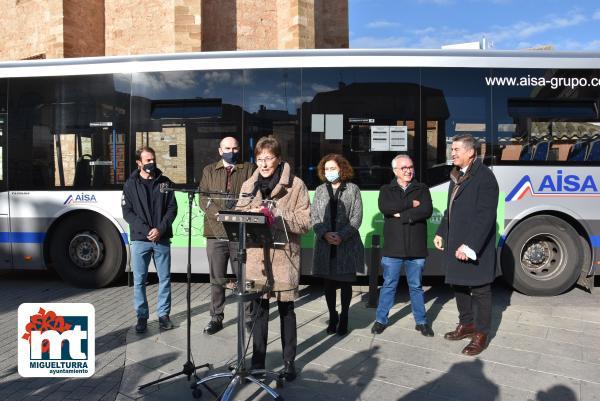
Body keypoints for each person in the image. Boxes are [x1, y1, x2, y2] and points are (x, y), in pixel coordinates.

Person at [236, 135, 311, 381]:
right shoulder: (249, 185)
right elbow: (237, 214)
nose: (264, 164)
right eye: (259, 159)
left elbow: (305, 222)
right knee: (258, 311)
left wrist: (277, 213)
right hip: (257, 257)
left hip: (283, 257)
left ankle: (289, 361)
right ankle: (257, 362)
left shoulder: (296, 185)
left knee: (287, 310)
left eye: (268, 158)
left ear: (278, 160)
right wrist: (252, 213)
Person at [433, 134, 499, 356]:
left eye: (456, 150)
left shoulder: (485, 178)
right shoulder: (458, 175)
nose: (452, 153)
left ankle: (481, 333)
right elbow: (449, 208)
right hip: (455, 241)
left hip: (474, 246)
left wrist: (469, 246)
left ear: (471, 152)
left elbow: (486, 217)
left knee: (480, 289)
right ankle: (467, 324)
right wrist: (442, 231)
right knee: (458, 284)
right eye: (452, 150)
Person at [370, 154, 434, 337]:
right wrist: (409, 205)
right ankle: (381, 320)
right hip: (393, 248)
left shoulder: (422, 188)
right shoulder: (386, 189)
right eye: (404, 167)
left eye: (410, 167)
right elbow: (386, 207)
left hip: (416, 248)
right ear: (395, 171)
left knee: (416, 286)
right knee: (389, 285)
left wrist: (401, 215)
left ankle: (421, 322)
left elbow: (426, 210)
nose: (408, 170)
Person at [199, 136, 254, 335]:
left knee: (245, 277)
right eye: (227, 148)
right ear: (220, 151)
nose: (231, 151)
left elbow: (253, 194)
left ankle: (249, 317)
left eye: (235, 148)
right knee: (217, 278)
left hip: (240, 232)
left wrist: (236, 213)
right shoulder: (209, 170)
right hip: (215, 232)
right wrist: (219, 215)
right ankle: (216, 317)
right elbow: (203, 198)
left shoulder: (248, 169)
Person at [122, 146, 178, 334]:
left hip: (161, 239)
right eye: (147, 161)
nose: (151, 163)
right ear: (139, 163)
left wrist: (160, 229)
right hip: (140, 239)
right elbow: (127, 212)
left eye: (153, 159)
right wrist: (147, 231)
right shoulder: (130, 184)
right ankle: (142, 317)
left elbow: (172, 209)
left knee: (165, 279)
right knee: (139, 280)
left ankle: (163, 316)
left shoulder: (165, 182)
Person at [311, 154, 363, 336]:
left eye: (332, 168)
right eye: (326, 169)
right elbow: (314, 217)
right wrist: (324, 234)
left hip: (346, 244)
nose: (329, 172)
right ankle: (333, 316)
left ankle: (345, 316)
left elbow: (357, 217)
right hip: (325, 245)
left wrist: (342, 235)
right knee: (329, 284)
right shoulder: (319, 190)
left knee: (346, 282)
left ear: (342, 169)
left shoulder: (353, 189)